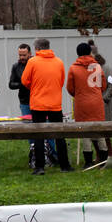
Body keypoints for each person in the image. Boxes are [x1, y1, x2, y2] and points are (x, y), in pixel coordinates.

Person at [21, 38, 72, 175]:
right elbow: (61, 81)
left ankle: (40, 167)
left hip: (38, 103)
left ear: (37, 49)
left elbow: (25, 81)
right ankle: (64, 165)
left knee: (39, 135)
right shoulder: (59, 62)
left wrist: (36, 87)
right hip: (55, 103)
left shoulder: (32, 62)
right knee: (59, 135)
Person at [67, 41, 108, 167]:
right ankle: (104, 159)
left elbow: (70, 88)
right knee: (99, 130)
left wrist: (79, 94)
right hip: (96, 102)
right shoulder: (97, 67)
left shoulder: (73, 68)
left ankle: (88, 162)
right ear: (90, 52)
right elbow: (103, 86)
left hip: (82, 102)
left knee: (85, 132)